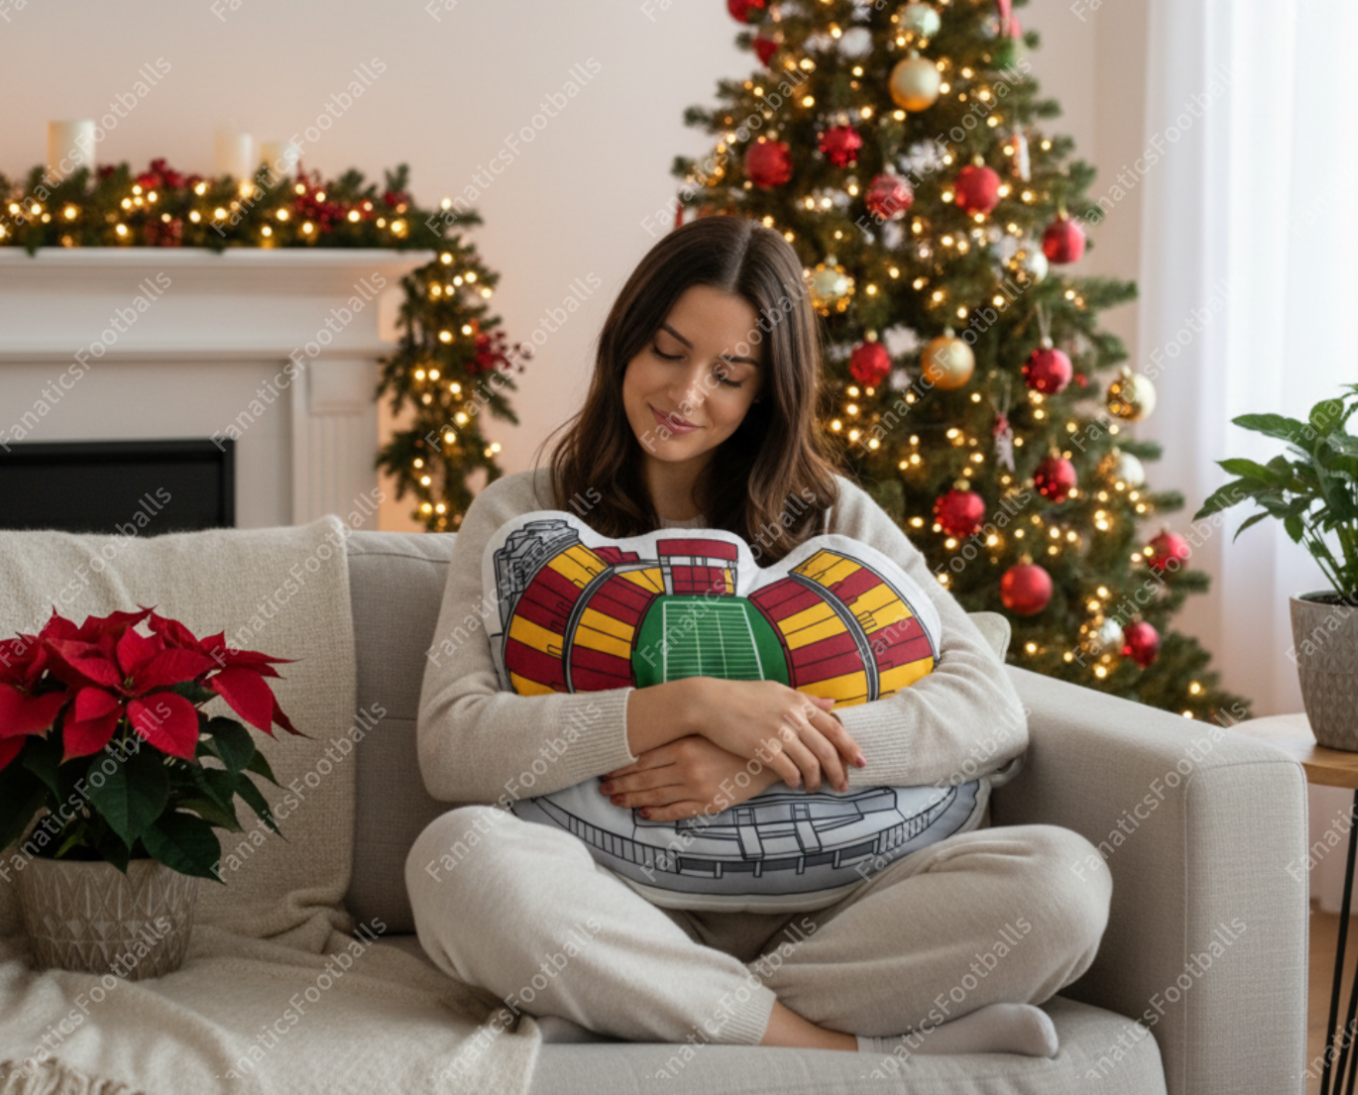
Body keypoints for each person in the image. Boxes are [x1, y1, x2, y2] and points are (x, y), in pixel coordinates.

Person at [405, 216, 1111, 1059]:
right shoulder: (521, 515)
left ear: (766, 390)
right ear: (623, 344)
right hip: (615, 893)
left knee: (1065, 883)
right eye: (667, 351)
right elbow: (452, 744)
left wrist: (766, 753)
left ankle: (638, 1002)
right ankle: (827, 1042)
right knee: (455, 861)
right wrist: (689, 705)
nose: (685, 393)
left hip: (846, 907)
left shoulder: (834, 512)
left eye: (728, 374)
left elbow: (988, 708)